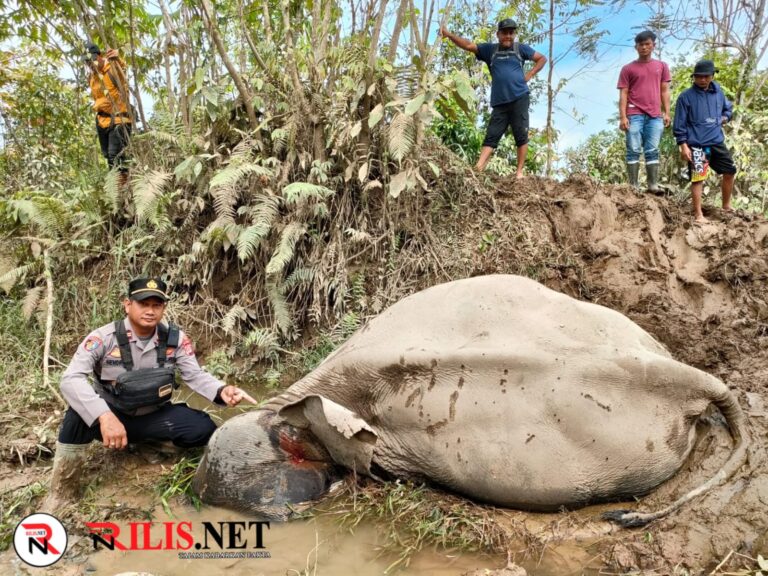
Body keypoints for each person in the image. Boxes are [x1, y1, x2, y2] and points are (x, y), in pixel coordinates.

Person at [44, 277, 255, 509]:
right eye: (143, 304)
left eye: (157, 305)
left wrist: (222, 389)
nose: (150, 311)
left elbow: (194, 375)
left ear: (163, 308)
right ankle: (62, 491)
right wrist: (104, 416)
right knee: (75, 416)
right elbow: (71, 379)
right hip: (111, 416)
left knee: (203, 428)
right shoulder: (102, 339)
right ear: (127, 305)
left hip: (153, 415)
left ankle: (150, 443)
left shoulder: (176, 339)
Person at [440, 19, 547, 178]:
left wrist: (530, 74)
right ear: (498, 34)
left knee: (521, 134)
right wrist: (448, 34)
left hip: (520, 98)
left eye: (511, 33)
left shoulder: (520, 49)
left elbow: (542, 59)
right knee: (492, 135)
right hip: (500, 102)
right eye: (505, 33)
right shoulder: (490, 50)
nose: (508, 36)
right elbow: (469, 45)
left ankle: (519, 172)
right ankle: (478, 168)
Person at [673, 59, 736, 224]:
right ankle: (699, 214)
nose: (702, 80)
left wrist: (724, 118)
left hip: (716, 141)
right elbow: (679, 124)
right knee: (698, 178)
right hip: (697, 145)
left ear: (712, 76)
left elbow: (728, 109)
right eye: (698, 77)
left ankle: (726, 205)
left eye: (706, 76)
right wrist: (683, 146)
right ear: (694, 77)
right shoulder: (686, 97)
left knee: (730, 171)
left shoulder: (718, 92)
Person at [616, 30, 671, 192]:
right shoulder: (628, 69)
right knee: (633, 149)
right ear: (636, 47)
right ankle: (633, 186)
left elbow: (665, 91)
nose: (644, 48)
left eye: (648, 44)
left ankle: (652, 185)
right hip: (634, 114)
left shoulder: (661, 66)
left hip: (655, 115)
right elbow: (623, 93)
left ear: (653, 45)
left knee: (652, 150)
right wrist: (623, 116)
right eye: (641, 45)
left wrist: (666, 112)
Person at [86, 42, 133, 177]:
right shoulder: (93, 77)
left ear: (99, 57)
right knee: (108, 156)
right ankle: (116, 186)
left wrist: (117, 58)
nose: (91, 64)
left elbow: (122, 70)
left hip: (119, 119)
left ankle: (121, 187)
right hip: (102, 121)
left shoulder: (112, 68)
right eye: (88, 62)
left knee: (115, 155)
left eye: (93, 61)